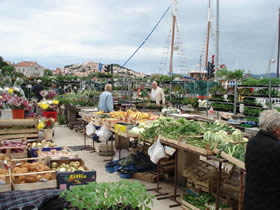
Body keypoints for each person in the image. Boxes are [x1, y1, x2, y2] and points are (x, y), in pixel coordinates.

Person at [244, 110, 280, 210]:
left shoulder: (252, 142)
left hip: (251, 200)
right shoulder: (276, 147)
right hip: (270, 203)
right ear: (276, 130)